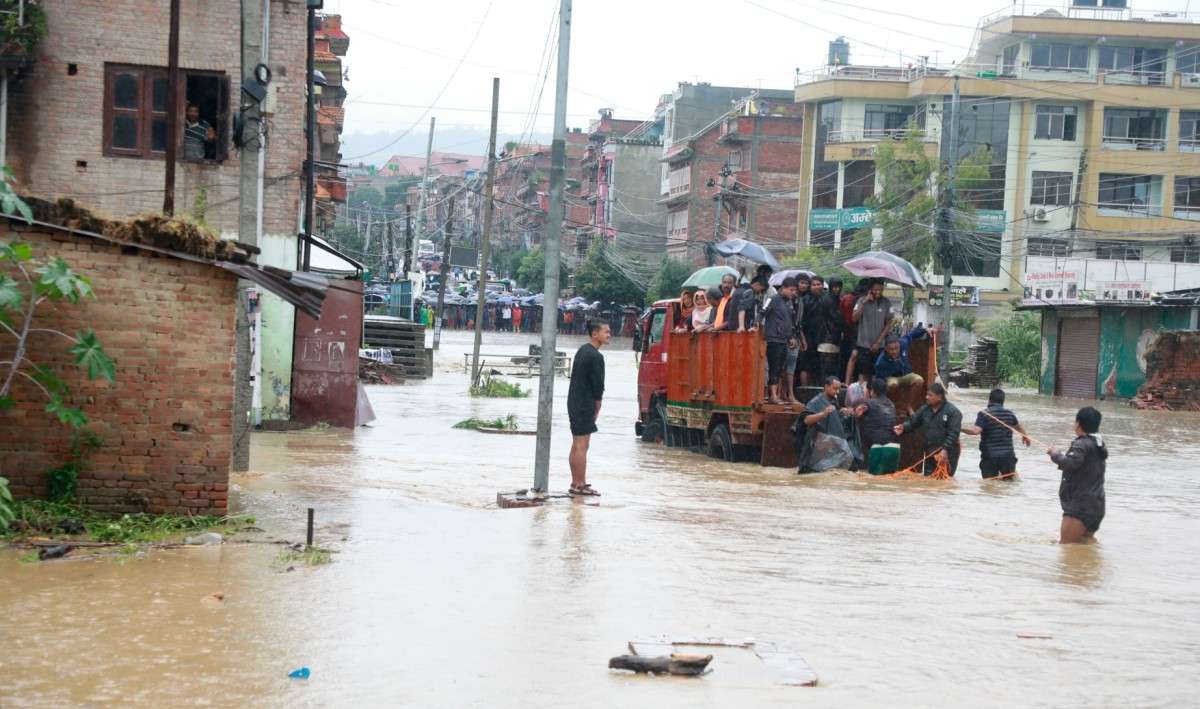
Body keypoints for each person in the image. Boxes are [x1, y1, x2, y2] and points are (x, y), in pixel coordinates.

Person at [1048, 406, 1107, 544]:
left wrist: (1055, 454)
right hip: (1096, 507)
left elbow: (1070, 463)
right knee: (1085, 546)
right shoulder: (1098, 444)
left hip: (1079, 507)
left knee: (1066, 548)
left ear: (1079, 424)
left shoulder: (1081, 444)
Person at [567, 320, 611, 497]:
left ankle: (575, 482)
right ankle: (580, 484)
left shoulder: (582, 350)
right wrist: (597, 407)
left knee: (577, 443)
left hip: (574, 401)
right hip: (585, 403)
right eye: (606, 332)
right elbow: (598, 386)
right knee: (582, 445)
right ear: (595, 334)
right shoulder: (596, 356)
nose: (609, 335)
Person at [894, 382, 962, 476]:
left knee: (945, 481)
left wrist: (945, 450)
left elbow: (953, 434)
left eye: (930, 395)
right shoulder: (925, 409)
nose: (926, 397)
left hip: (947, 453)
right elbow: (914, 422)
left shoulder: (953, 412)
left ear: (939, 396)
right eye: (927, 394)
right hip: (930, 451)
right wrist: (904, 427)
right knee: (928, 480)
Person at [961, 388, 1031, 479]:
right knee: (1009, 486)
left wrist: (959, 428)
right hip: (1008, 457)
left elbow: (975, 431)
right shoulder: (1010, 414)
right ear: (1003, 401)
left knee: (989, 486)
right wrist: (1025, 436)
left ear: (989, 400)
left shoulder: (984, 414)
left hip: (990, 457)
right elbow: (1019, 427)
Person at [761, 276, 799, 404]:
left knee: (781, 368)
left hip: (784, 340)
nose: (794, 293)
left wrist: (791, 336)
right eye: (791, 290)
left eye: (795, 290)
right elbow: (762, 312)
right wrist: (756, 325)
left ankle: (777, 394)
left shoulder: (788, 302)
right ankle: (772, 396)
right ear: (783, 288)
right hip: (773, 339)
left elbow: (790, 322)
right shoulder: (773, 299)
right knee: (774, 367)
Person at [851, 279, 894, 382]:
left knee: (878, 374)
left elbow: (888, 323)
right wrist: (864, 302)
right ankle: (863, 396)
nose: (878, 292)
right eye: (875, 289)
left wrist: (878, 342)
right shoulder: (861, 300)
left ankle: (875, 395)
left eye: (880, 289)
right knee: (863, 373)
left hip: (880, 346)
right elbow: (854, 318)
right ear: (870, 289)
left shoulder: (886, 303)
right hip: (864, 345)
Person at [874, 326, 928, 393]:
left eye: (896, 348)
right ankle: (893, 403)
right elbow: (879, 380)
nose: (894, 351)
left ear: (899, 345)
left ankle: (909, 403)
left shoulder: (903, 343)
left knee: (919, 380)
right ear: (885, 349)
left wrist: (926, 330)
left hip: (907, 375)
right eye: (891, 349)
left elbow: (911, 334)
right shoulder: (880, 362)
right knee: (892, 385)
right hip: (892, 378)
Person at [854, 377, 898, 454]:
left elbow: (857, 412)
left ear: (873, 391)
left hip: (874, 443)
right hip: (891, 441)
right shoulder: (892, 404)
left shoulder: (869, 403)